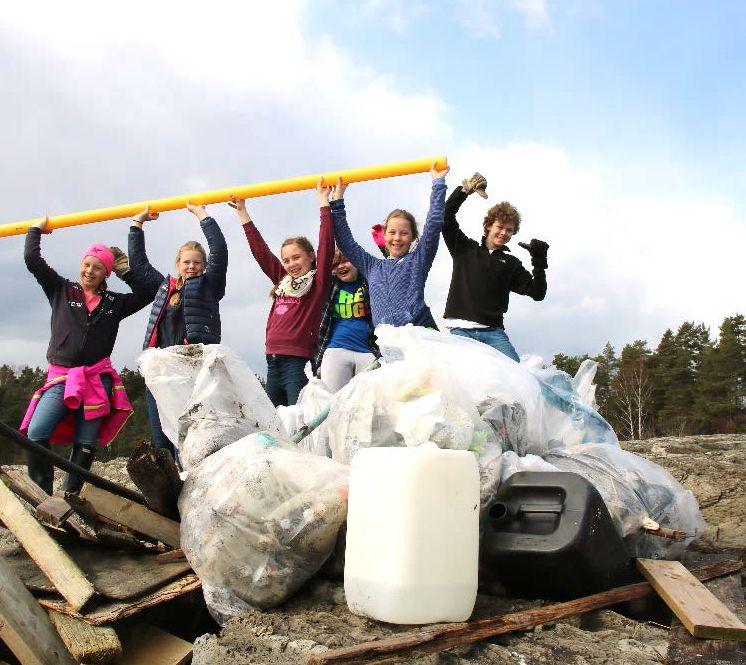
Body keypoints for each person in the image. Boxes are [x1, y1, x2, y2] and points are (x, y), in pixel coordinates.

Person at [21, 217, 152, 494]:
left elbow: (149, 291)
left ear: (106, 273)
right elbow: (32, 259)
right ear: (80, 265)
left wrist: (125, 271)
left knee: (85, 442)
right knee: (36, 433)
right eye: (87, 265)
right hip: (61, 378)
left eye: (98, 267)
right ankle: (41, 492)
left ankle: (70, 495)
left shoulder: (115, 303)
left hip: (96, 380)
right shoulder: (61, 290)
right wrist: (36, 231)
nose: (90, 271)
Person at [127, 203, 228, 459]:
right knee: (161, 438)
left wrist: (202, 215)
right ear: (178, 263)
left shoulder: (209, 286)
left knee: (190, 435)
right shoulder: (164, 287)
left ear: (204, 266)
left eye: (197, 262)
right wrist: (136, 225)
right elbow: (139, 265)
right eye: (186, 262)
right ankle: (168, 491)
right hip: (160, 368)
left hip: (190, 366)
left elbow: (220, 250)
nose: (191, 266)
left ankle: (193, 482)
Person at [232, 181, 334, 407]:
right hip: (272, 361)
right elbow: (261, 253)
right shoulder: (283, 281)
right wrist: (242, 213)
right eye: (286, 260)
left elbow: (326, 243)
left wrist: (322, 203)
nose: (291, 264)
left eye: (296, 258)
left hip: (296, 363)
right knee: (277, 425)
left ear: (310, 256)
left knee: (298, 423)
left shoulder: (317, 284)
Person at [442, 172, 548, 361]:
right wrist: (463, 191)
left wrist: (539, 262)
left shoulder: (511, 264)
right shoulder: (464, 248)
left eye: (509, 230)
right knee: (459, 379)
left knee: (519, 377)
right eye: (500, 227)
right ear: (489, 225)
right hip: (459, 331)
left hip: (493, 334)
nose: (503, 233)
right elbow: (445, 216)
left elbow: (537, 293)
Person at [330, 164, 449, 330]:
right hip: (388, 341)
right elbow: (344, 241)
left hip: (419, 332)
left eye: (404, 233)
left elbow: (434, 224)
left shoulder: (418, 260)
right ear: (384, 235)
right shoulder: (372, 266)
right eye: (392, 232)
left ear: (413, 237)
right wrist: (337, 201)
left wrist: (438, 183)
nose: (397, 238)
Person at [315, 248, 379, 393]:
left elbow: (388, 271)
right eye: (335, 264)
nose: (340, 266)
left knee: (368, 405)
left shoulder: (370, 282)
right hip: (337, 350)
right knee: (331, 404)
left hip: (368, 352)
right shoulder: (330, 286)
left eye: (345, 261)